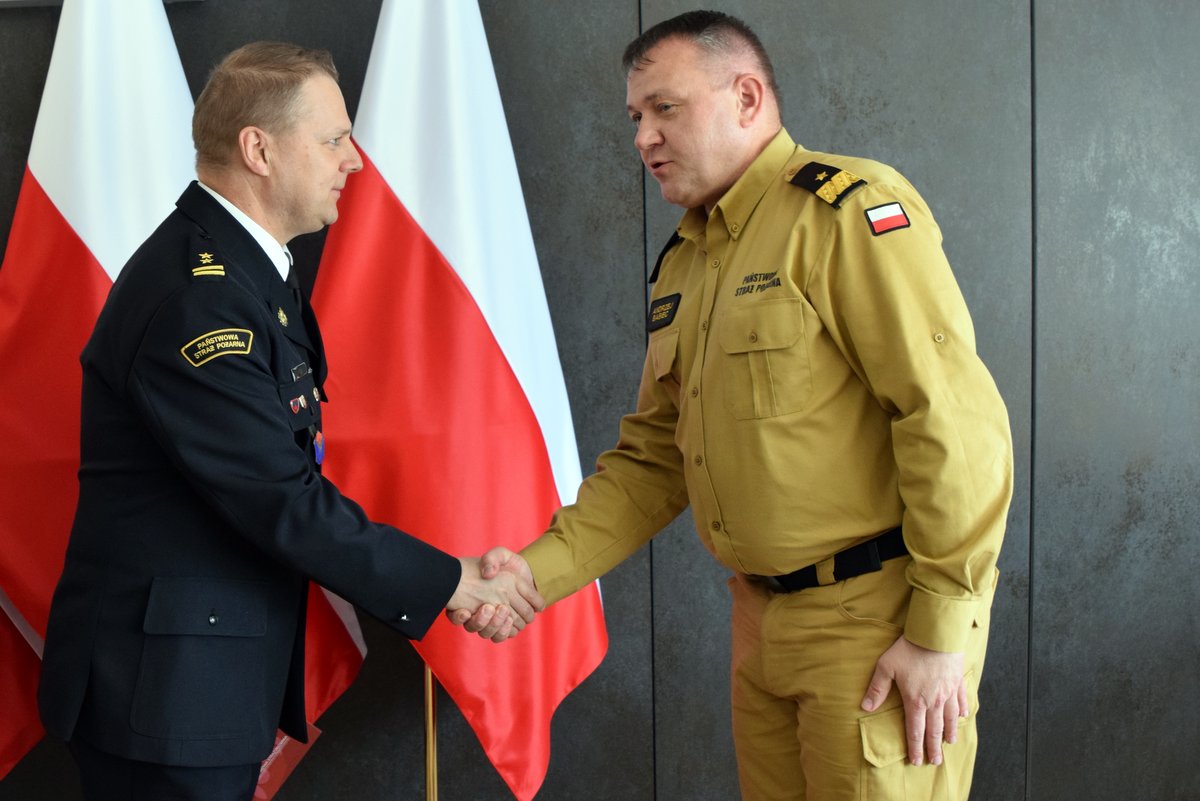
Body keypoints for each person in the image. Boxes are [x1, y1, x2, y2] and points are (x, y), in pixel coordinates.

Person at [457, 10, 1013, 801]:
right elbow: (653, 462)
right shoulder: (687, 260)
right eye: (635, 117)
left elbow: (952, 421)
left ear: (747, 98)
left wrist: (939, 632)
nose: (643, 137)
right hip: (761, 627)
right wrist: (532, 575)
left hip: (876, 629)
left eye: (665, 108)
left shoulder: (842, 214)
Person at [37, 42, 539, 801]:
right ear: (259, 150)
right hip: (165, 692)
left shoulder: (245, 271)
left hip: (198, 678)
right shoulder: (199, 298)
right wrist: (452, 582)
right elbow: (277, 496)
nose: (355, 161)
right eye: (334, 139)